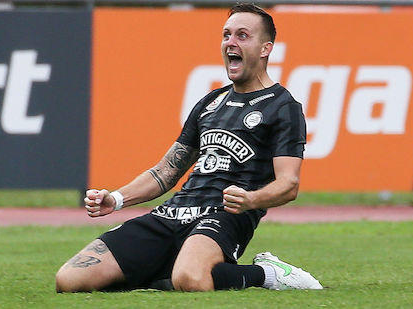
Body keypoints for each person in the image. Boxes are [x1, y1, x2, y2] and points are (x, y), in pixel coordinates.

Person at [55, 3, 322, 292]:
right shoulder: (211, 103)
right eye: (226, 35)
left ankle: (266, 274)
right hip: (173, 213)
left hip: (225, 216)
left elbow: (289, 184)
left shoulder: (283, 106)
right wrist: (117, 199)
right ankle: (164, 272)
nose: (230, 43)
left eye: (242, 36)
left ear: (265, 48)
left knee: (190, 280)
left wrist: (250, 200)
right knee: (70, 280)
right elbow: (166, 172)